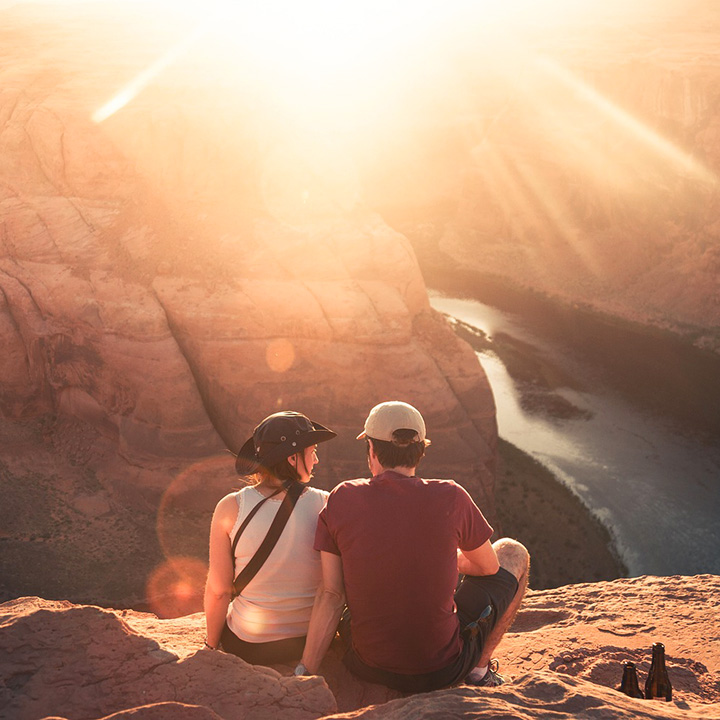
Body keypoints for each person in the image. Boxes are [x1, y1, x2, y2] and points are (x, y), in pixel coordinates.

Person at [296, 401, 529, 691]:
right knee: (513, 551)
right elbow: (489, 567)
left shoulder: (342, 497)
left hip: (366, 664)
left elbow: (331, 593)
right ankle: (479, 672)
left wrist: (304, 674)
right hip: (442, 670)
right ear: (421, 450)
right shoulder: (452, 496)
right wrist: (449, 557)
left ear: (371, 449)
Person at [203, 410, 336, 665]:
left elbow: (219, 590)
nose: (317, 460)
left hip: (248, 645)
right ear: (293, 457)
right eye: (313, 452)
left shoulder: (231, 507)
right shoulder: (327, 504)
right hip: (307, 641)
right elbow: (334, 588)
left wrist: (211, 645)